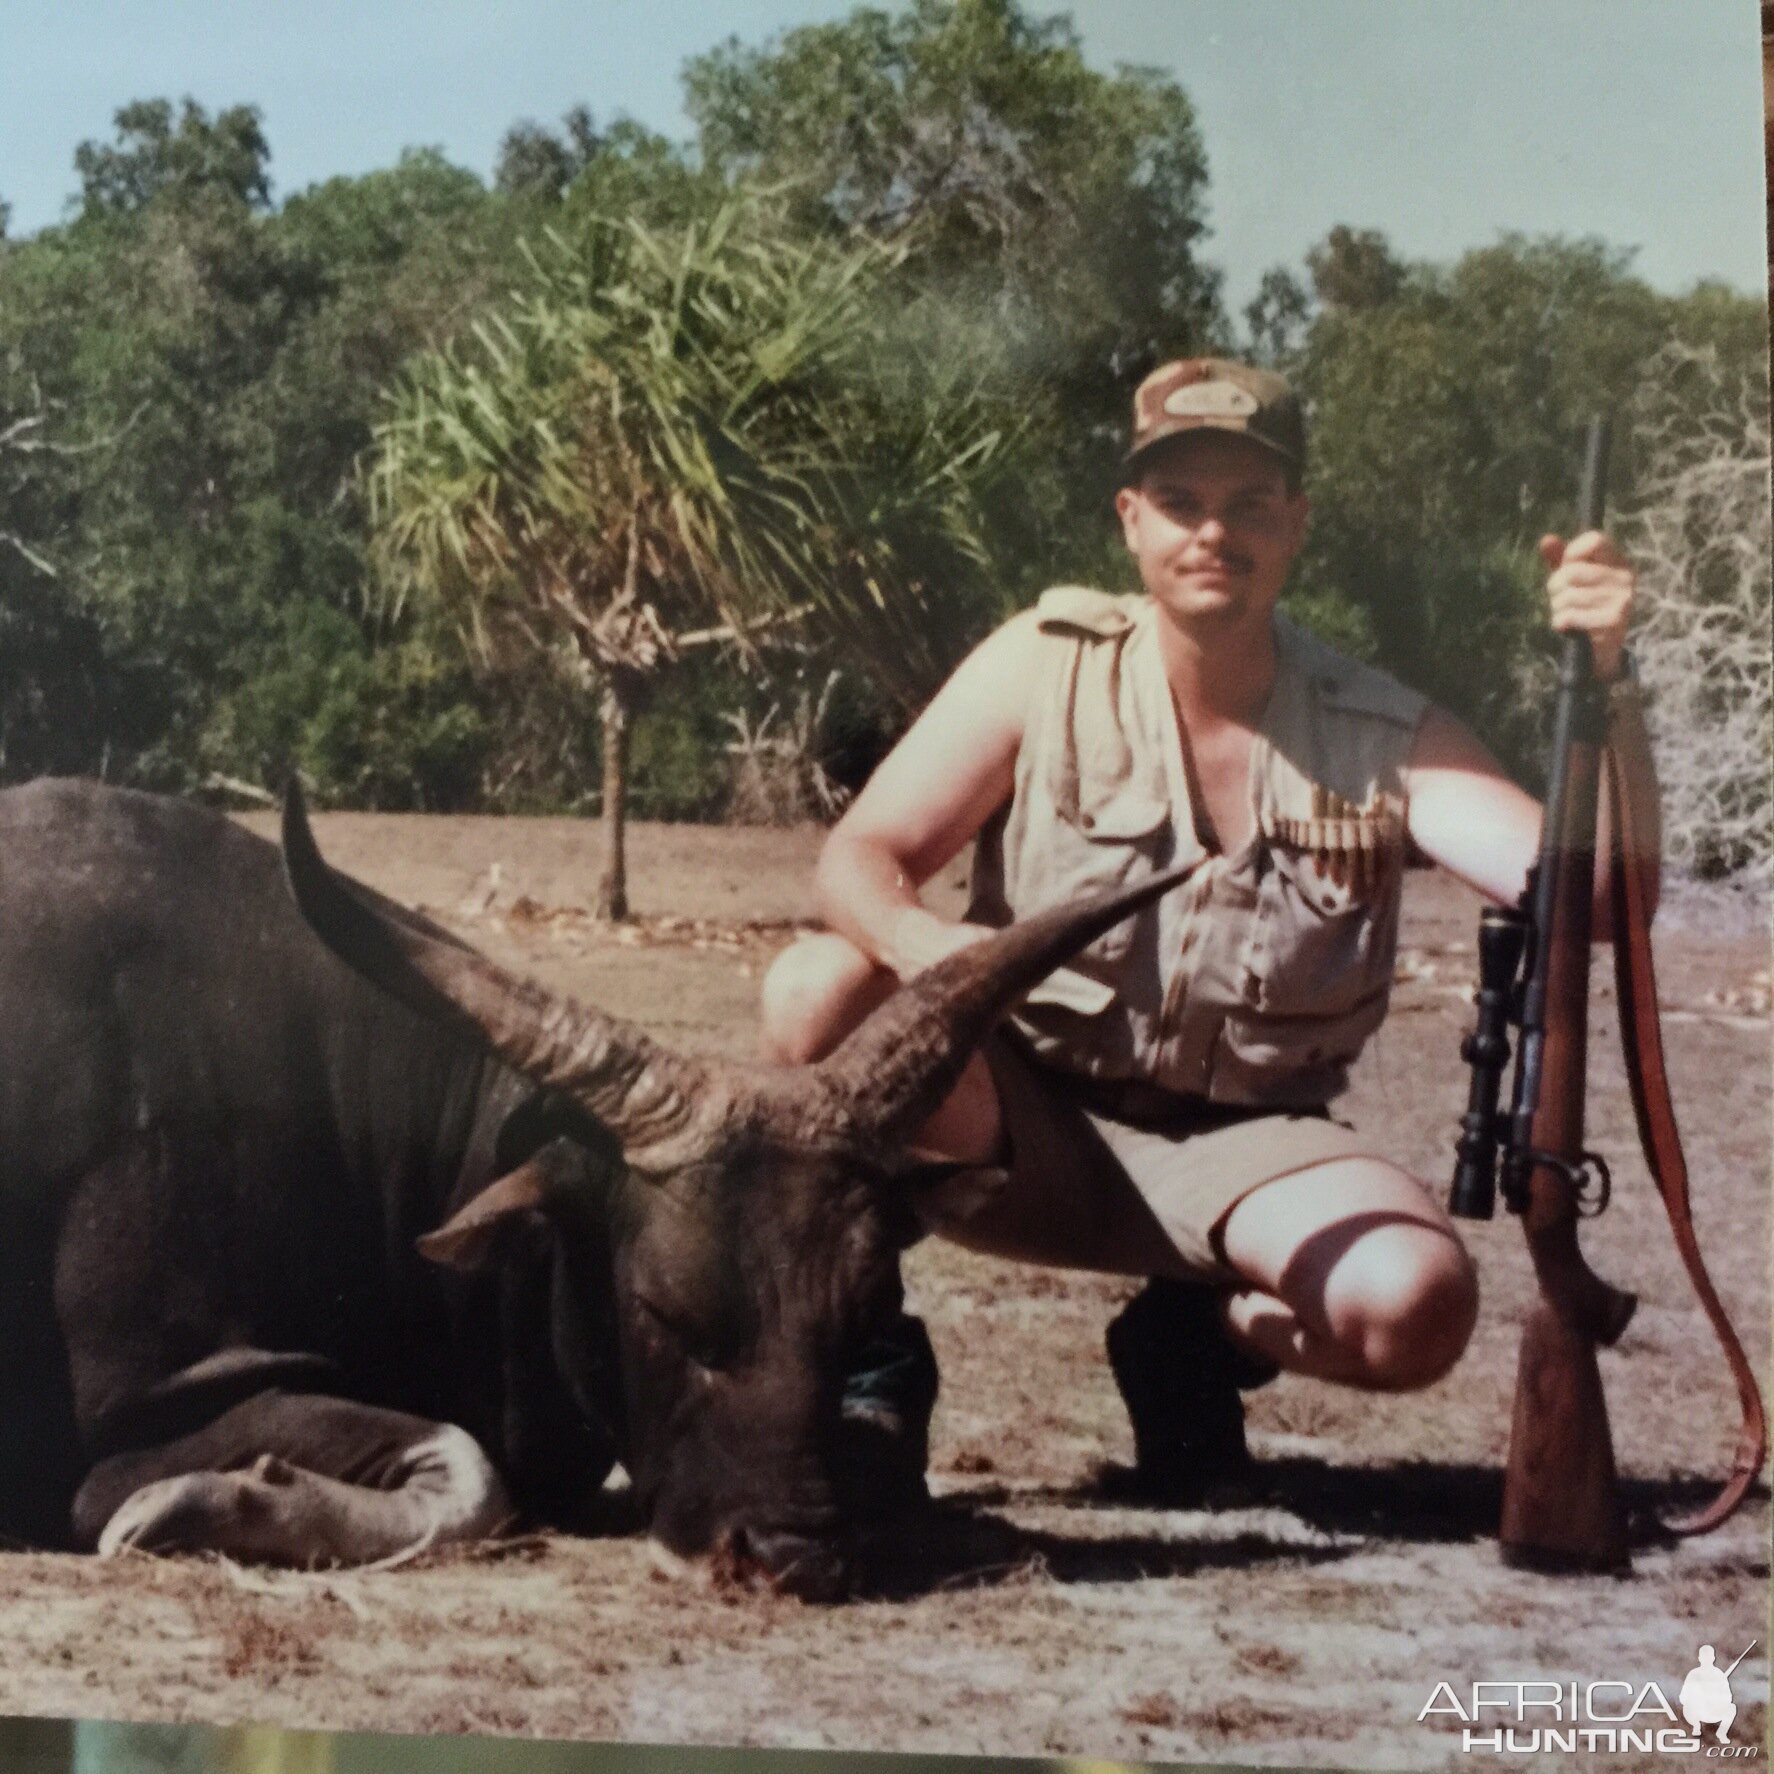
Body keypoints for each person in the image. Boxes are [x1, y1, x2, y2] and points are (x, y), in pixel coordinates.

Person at [760, 357, 1657, 1505]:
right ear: (1131, 522)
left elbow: (1599, 901)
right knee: (813, 990)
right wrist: (933, 956)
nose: (1212, 533)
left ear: (1297, 526)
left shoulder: (1382, 730)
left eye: (1248, 503)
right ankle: (867, 1365)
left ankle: (1192, 1346)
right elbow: (858, 858)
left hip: (1247, 1150)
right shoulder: (1041, 663)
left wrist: (1610, 676)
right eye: (1180, 502)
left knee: (1413, 1309)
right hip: (1018, 1122)